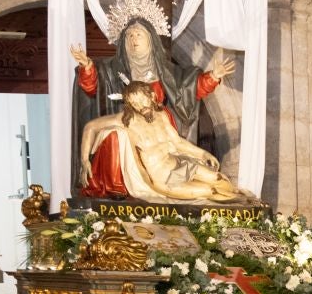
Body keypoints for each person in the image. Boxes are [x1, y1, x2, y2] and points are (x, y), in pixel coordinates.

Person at [80, 82, 249, 203]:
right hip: (162, 178)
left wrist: (203, 153)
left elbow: (177, 143)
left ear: (152, 96)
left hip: (179, 165)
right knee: (209, 191)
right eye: (134, 103)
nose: (140, 106)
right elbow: (90, 127)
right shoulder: (127, 120)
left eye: (143, 100)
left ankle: (246, 205)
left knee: (219, 179)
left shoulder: (161, 116)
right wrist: (85, 160)